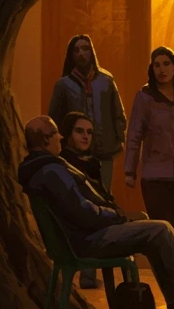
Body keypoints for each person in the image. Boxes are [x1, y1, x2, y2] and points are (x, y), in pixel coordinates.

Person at [19, 117, 174, 309]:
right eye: (56, 133)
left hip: (80, 238)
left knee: (152, 230)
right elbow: (84, 213)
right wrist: (116, 216)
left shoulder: (41, 169)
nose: (61, 137)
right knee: (160, 229)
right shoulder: (51, 171)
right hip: (88, 240)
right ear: (46, 139)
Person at [124, 47, 174, 254]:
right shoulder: (145, 98)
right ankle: (167, 277)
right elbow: (134, 134)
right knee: (163, 230)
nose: (162, 69)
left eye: (166, 64)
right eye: (157, 65)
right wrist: (129, 171)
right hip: (155, 176)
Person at [48, 35, 127, 197]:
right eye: (76, 50)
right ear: (71, 55)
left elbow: (118, 113)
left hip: (105, 151)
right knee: (78, 195)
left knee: (104, 194)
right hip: (74, 153)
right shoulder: (63, 85)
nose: (81, 53)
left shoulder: (106, 81)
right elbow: (54, 119)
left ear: (92, 53)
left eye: (85, 49)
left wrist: (118, 140)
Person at [59, 109, 115, 290]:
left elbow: (102, 194)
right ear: (67, 133)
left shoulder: (91, 162)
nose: (85, 136)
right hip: (84, 226)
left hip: (100, 217)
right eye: (79, 131)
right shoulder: (63, 163)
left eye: (89, 132)